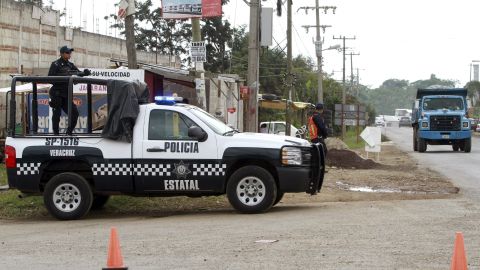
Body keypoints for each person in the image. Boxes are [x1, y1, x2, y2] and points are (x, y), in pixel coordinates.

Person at [48, 45, 91, 135]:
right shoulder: (55, 64)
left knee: (74, 113)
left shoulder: (70, 65)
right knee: (57, 114)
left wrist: (85, 73)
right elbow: (50, 79)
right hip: (57, 93)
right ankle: (56, 134)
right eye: (67, 52)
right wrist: (64, 77)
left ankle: (69, 133)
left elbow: (78, 73)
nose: (69, 54)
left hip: (67, 94)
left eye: (70, 52)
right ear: (62, 54)